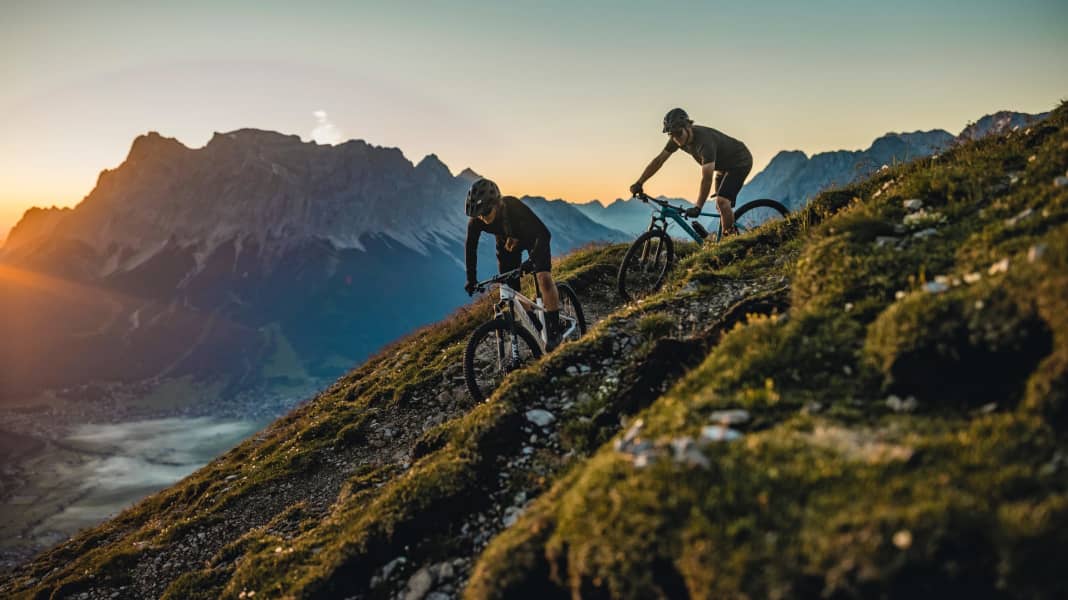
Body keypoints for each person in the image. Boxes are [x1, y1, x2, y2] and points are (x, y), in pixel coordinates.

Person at [464, 178, 565, 350]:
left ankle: (555, 329)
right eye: (478, 214)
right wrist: (471, 279)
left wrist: (532, 260)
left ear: (497, 204)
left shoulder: (514, 207)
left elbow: (544, 234)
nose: (482, 217)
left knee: (544, 278)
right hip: (507, 246)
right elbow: (470, 247)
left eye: (486, 211)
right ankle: (536, 324)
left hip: (534, 239)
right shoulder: (478, 220)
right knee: (512, 292)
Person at [630, 108, 754, 235]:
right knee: (721, 207)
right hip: (722, 165)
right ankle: (729, 234)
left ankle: (732, 240)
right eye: (671, 134)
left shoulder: (705, 143)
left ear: (688, 127)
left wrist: (698, 207)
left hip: (740, 161)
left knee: (722, 201)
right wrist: (639, 183)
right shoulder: (676, 140)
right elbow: (659, 161)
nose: (675, 138)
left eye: (678, 133)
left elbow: (706, 179)